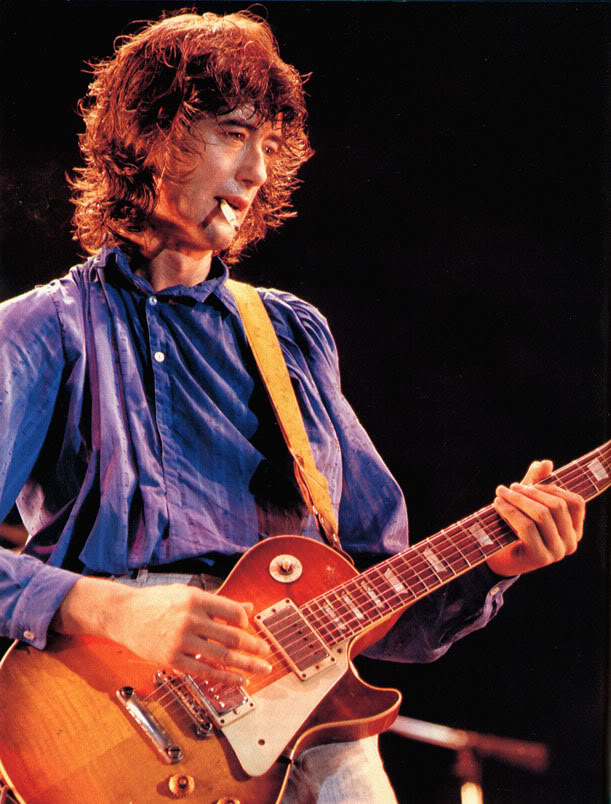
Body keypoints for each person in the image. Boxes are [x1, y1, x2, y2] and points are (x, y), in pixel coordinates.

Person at [0, 11, 585, 803]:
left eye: (268, 146)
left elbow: (372, 587)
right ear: (149, 135)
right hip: (110, 726)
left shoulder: (290, 335)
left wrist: (493, 562)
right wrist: (107, 609)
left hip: (311, 726)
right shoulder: (42, 329)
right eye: (233, 134)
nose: (254, 171)